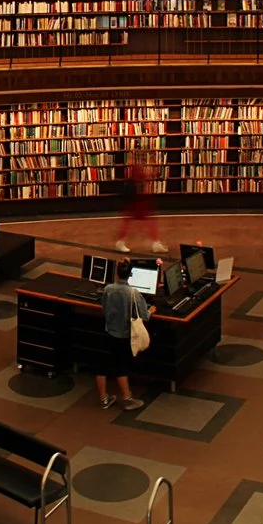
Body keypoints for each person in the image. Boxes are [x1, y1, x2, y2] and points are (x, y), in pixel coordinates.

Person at [94, 260, 150, 411]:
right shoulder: (134, 293)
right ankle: (127, 398)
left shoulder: (108, 289)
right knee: (121, 366)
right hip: (124, 335)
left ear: (117, 273)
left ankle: (103, 399)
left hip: (109, 332)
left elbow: (104, 309)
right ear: (130, 274)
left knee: (102, 366)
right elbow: (144, 315)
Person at [113, 141, 167, 254]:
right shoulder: (136, 168)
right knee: (139, 221)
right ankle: (121, 242)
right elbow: (139, 181)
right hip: (138, 200)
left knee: (136, 221)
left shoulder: (136, 167)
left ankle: (122, 242)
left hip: (139, 199)